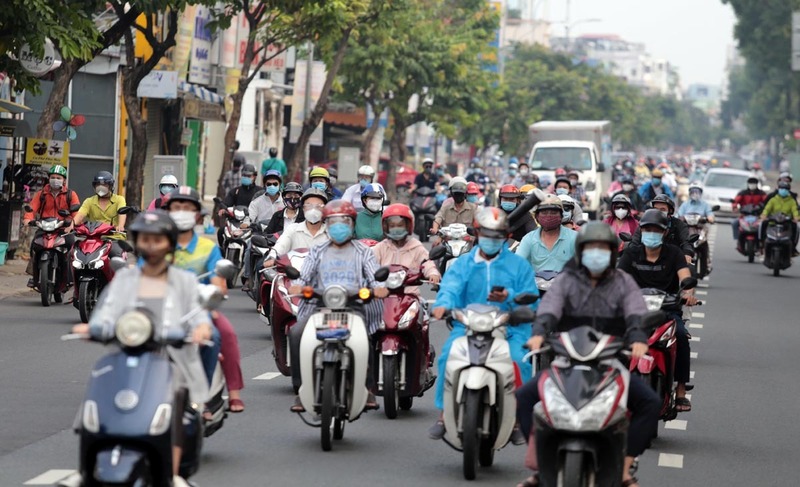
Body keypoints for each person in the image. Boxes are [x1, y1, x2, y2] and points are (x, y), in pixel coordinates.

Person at [72, 210, 213, 486]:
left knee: (180, 410)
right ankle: (86, 472)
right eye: (145, 239)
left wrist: (200, 328)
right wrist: (93, 327)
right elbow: (105, 313)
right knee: (97, 400)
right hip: (124, 358)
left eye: (157, 240)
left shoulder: (183, 281)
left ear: (169, 243)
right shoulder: (124, 280)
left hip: (171, 360)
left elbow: (198, 315)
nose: (151, 245)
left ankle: (171, 475)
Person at [519, 222, 659, 487]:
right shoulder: (567, 280)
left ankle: (625, 467)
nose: (597, 253)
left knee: (650, 403)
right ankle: (540, 466)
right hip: (566, 361)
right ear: (581, 252)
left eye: (602, 248)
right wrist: (539, 331)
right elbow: (550, 307)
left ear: (612, 253)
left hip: (611, 363)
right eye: (591, 248)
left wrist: (639, 338)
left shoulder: (623, 282)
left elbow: (636, 313)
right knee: (523, 398)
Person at [428, 207, 538, 443]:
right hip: (467, 326)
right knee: (447, 357)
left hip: (509, 328)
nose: (491, 240)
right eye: (486, 234)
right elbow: (450, 288)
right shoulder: (463, 263)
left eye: (497, 235)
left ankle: (517, 418)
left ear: (506, 236)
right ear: (477, 234)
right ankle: (443, 414)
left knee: (519, 361)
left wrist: (509, 297)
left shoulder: (518, 265)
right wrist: (442, 305)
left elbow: (531, 297)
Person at [288, 200, 388, 412]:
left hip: (354, 308)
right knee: (296, 333)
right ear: (327, 225)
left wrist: (379, 288)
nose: (338, 226)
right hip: (319, 307)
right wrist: (296, 286)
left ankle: (367, 388)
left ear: (352, 225)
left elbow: (375, 277)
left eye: (344, 221)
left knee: (364, 342)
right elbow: (303, 276)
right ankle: (301, 389)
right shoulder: (318, 250)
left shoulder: (363, 252)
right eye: (333, 222)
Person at [165, 187, 246, 414]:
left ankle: (209, 395)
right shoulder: (157, 243)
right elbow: (141, 278)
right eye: (176, 208)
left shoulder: (208, 248)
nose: (181, 212)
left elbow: (218, 279)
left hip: (198, 310)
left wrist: (214, 296)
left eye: (187, 208)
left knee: (221, 336)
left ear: (198, 215)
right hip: (162, 310)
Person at [618, 209, 697, 413]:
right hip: (634, 312)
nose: (651, 232)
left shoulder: (674, 253)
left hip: (667, 311)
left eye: (656, 229)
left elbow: (684, 276)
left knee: (681, 337)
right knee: (614, 339)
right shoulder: (631, 253)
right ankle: (612, 385)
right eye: (647, 229)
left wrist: (687, 293)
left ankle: (680, 392)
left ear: (664, 233)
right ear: (641, 231)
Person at [23, 164, 80, 288]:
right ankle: (35, 275)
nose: (55, 180)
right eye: (53, 177)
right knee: (35, 245)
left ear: (64, 180)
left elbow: (77, 214)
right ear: (49, 179)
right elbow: (31, 209)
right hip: (45, 227)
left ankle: (70, 277)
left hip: (63, 229)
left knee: (71, 246)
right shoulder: (42, 193)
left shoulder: (71, 194)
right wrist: (28, 219)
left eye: (59, 177)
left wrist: (72, 223)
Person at [264, 188, 330, 265]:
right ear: (303, 208)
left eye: (318, 206)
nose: (313, 210)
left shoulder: (330, 233)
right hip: (294, 273)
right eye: (309, 205)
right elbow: (280, 246)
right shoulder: (293, 229)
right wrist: (272, 256)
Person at [73, 171, 128, 257]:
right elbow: (80, 215)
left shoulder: (119, 200)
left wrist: (120, 226)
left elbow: (122, 213)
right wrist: (72, 224)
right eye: (98, 185)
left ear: (110, 186)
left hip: (113, 238)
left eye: (104, 185)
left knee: (117, 256)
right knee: (74, 255)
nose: (101, 188)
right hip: (93, 239)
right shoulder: (89, 201)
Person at [517, 195, 578, 272]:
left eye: (554, 212)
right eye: (544, 212)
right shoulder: (529, 239)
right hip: (535, 283)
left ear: (561, 216)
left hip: (565, 282)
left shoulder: (574, 237)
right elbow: (517, 264)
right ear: (537, 216)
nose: (549, 216)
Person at [632, 194, 694, 262]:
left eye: (662, 209)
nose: (658, 212)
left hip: (672, 262)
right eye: (655, 209)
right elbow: (635, 242)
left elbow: (686, 242)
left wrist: (687, 254)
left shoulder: (679, 225)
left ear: (669, 211)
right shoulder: (644, 223)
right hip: (646, 260)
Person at [218, 163, 260, 245]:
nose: (246, 177)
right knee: (221, 231)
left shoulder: (260, 192)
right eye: (244, 175)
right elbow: (226, 203)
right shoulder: (236, 191)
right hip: (236, 222)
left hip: (253, 224)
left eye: (249, 176)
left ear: (254, 177)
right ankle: (223, 253)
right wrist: (223, 209)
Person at [760, 180, 799, 255]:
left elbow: (795, 210)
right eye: (781, 188)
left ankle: (793, 248)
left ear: (788, 190)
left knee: (796, 228)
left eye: (785, 189)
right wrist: (764, 215)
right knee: (762, 224)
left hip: (786, 223)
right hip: (773, 222)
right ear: (778, 189)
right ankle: (762, 245)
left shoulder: (791, 201)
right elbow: (767, 208)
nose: (783, 190)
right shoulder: (773, 200)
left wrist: (796, 217)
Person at [731, 176, 767, 246]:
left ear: (757, 185)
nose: (752, 185)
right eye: (751, 183)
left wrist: (765, 210)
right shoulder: (743, 193)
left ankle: (763, 241)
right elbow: (735, 201)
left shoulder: (761, 193)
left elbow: (767, 202)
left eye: (754, 184)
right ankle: (737, 239)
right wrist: (735, 207)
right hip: (744, 215)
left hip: (758, 215)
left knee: (765, 225)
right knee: (734, 223)